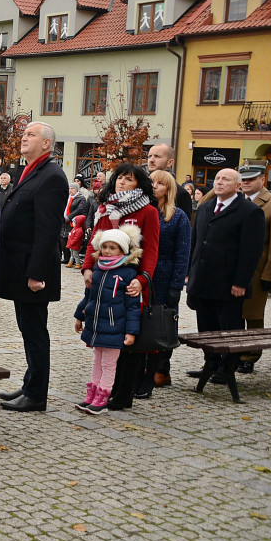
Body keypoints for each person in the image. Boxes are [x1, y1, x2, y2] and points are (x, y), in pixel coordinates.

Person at [0, 122, 69, 412]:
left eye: (31, 135)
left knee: (35, 332)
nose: (23, 138)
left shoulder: (52, 176)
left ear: (47, 143)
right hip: (19, 266)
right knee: (27, 329)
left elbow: (48, 230)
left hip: (34, 271)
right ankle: (30, 383)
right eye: (23, 135)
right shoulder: (31, 170)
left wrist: (36, 274)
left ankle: (36, 395)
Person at [81, 163, 160, 410]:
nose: (121, 182)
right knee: (104, 339)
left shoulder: (148, 211)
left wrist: (142, 278)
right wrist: (86, 268)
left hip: (130, 283)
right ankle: (104, 391)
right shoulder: (106, 208)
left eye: (129, 179)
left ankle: (123, 395)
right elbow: (94, 242)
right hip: (102, 279)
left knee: (128, 343)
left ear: (140, 184)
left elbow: (151, 251)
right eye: (119, 178)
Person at [186, 168, 265, 385]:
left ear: (238, 186)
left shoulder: (249, 211)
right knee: (206, 328)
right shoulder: (205, 208)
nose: (219, 182)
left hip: (229, 284)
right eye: (218, 178)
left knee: (228, 328)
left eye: (226, 179)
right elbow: (195, 243)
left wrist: (241, 281)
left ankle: (226, 368)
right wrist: (189, 274)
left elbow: (251, 252)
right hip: (202, 281)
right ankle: (209, 364)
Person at [73, 225, 143, 415]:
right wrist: (79, 315)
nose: (107, 251)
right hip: (96, 325)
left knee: (109, 364)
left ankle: (103, 397)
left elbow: (133, 306)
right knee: (97, 361)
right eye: (105, 247)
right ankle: (92, 393)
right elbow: (89, 296)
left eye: (113, 248)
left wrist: (131, 331)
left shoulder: (128, 273)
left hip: (115, 327)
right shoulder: (98, 269)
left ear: (122, 250)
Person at [135, 170, 191, 395]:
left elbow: (182, 254)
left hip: (165, 275)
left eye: (160, 183)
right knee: (139, 320)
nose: (155, 186)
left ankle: (162, 368)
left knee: (162, 323)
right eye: (152, 182)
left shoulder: (178, 217)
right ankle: (140, 366)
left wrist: (176, 285)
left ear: (169, 189)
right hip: (141, 275)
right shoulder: (142, 211)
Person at [235, 164, 271, 374]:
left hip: (257, 269)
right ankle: (232, 354)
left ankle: (250, 356)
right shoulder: (235, 201)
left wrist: (270, 274)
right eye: (242, 179)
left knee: (252, 316)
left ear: (263, 180)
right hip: (234, 268)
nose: (245, 183)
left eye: (250, 179)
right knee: (233, 314)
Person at [146, 144, 193, 218]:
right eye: (149, 156)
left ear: (170, 162)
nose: (151, 160)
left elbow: (184, 225)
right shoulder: (140, 186)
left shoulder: (180, 193)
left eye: (157, 156)